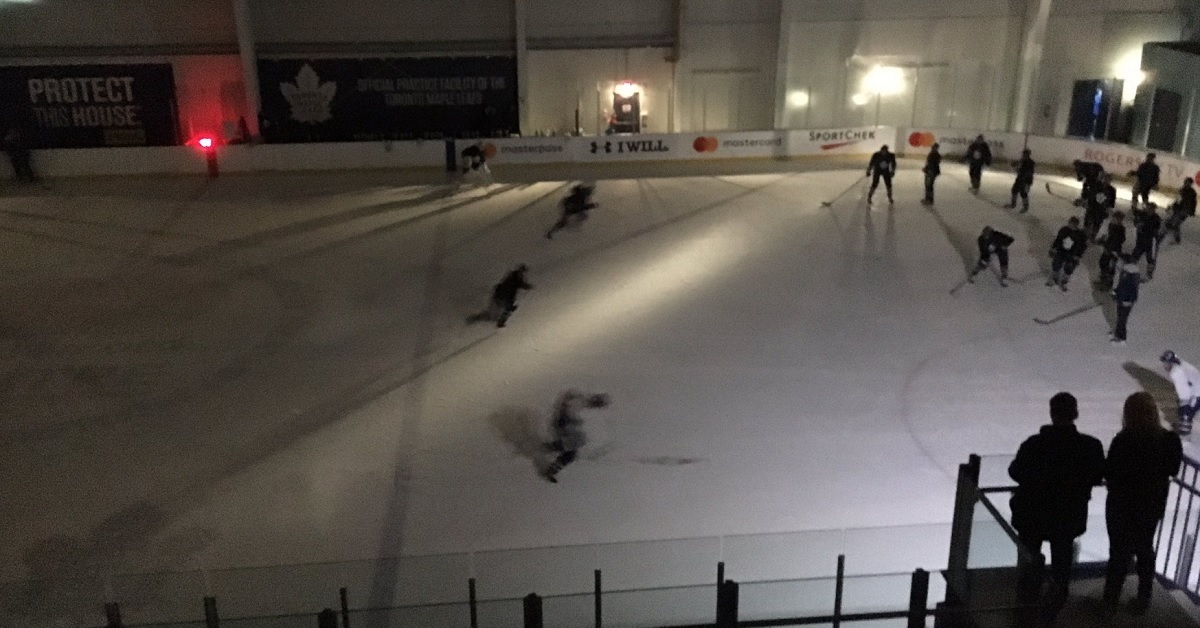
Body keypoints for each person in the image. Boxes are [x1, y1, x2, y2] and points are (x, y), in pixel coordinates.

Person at [1008, 392, 1106, 617]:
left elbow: (1015, 471)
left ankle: (1027, 602)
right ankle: (1055, 604)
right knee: (1062, 559)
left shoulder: (1034, 444)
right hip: (1068, 516)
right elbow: (1098, 474)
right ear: (1075, 414)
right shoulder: (1090, 446)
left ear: (1052, 414)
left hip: (1033, 514)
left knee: (1030, 555)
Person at [1102, 392, 1183, 615]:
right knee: (1145, 549)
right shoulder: (1169, 440)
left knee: (1118, 552)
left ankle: (1110, 601)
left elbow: (1111, 472)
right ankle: (1143, 599)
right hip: (1151, 505)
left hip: (1121, 505)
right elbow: (1173, 468)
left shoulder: (1123, 440)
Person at [542, 390, 610, 482]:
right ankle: (546, 449)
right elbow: (567, 408)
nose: (598, 408)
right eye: (599, 405)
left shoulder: (583, 401)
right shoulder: (580, 400)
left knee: (572, 452)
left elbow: (568, 405)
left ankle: (551, 467)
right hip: (563, 423)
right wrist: (571, 420)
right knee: (575, 443)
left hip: (565, 424)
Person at [1161, 350, 1200, 435]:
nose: (1164, 365)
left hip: (1196, 394)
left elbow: (1184, 391)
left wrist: (1184, 403)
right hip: (1195, 390)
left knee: (1186, 411)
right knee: (1183, 408)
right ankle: (1182, 424)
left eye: (1166, 363)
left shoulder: (1176, 372)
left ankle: (1184, 431)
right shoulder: (1181, 364)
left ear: (1170, 362)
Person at [1047, 216, 1087, 291]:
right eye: (1069, 223)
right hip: (1062, 251)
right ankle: (1055, 278)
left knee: (1069, 268)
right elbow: (1058, 239)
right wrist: (1053, 248)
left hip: (1073, 254)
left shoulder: (1080, 235)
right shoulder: (1064, 230)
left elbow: (1082, 247)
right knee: (1056, 264)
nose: (1070, 225)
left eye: (1072, 224)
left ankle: (1064, 282)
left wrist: (1078, 256)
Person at [1110, 256, 1140, 346]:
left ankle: (1121, 337)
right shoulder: (1133, 273)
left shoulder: (1126, 274)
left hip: (1125, 299)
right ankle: (1118, 333)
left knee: (1122, 318)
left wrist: (1119, 296)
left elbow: (1124, 287)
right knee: (1121, 317)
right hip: (1128, 299)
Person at [1160, 177, 1196, 245]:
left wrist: (1192, 211)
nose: (1187, 184)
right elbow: (1177, 199)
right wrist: (1171, 206)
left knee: (1175, 224)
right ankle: (1165, 234)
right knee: (1170, 222)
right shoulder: (1181, 190)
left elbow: (1193, 202)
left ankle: (1176, 239)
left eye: (1189, 183)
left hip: (1184, 211)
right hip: (1177, 209)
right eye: (1186, 182)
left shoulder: (1192, 192)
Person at [1095, 210, 1127, 287]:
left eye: (1118, 219)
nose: (1115, 220)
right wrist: (1103, 241)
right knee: (1103, 263)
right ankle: (1103, 279)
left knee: (1110, 266)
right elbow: (1109, 237)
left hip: (1114, 250)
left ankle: (1108, 282)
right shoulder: (1111, 226)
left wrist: (1110, 248)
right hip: (1108, 248)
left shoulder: (1120, 229)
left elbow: (1119, 240)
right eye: (1115, 218)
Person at [1129, 203, 1161, 280]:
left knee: (1150, 258)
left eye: (1151, 209)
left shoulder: (1156, 218)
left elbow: (1155, 229)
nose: (1149, 210)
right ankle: (1130, 271)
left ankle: (1149, 274)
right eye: (1148, 208)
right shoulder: (1141, 215)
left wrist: (1143, 227)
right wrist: (1138, 225)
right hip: (1140, 240)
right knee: (1134, 256)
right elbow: (1136, 222)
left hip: (1150, 241)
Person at [1083, 173, 1117, 239]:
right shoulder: (1095, 186)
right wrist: (1086, 202)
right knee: (1088, 221)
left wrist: (1109, 209)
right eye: (1104, 179)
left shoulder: (1112, 190)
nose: (1106, 181)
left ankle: (1093, 236)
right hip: (1092, 207)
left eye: (1108, 179)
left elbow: (1112, 201)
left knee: (1097, 223)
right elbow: (1089, 195)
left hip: (1102, 210)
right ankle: (1085, 235)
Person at [1005, 149, 1036, 213]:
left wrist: (1020, 171)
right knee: (1014, 190)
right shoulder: (1022, 161)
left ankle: (1025, 207)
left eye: (1025, 154)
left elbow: (1029, 172)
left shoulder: (1031, 162)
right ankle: (1013, 204)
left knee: (1023, 193)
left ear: (1028, 155)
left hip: (1026, 180)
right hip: (1020, 179)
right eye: (1023, 154)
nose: (1023, 155)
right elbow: (1016, 165)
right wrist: (1013, 164)